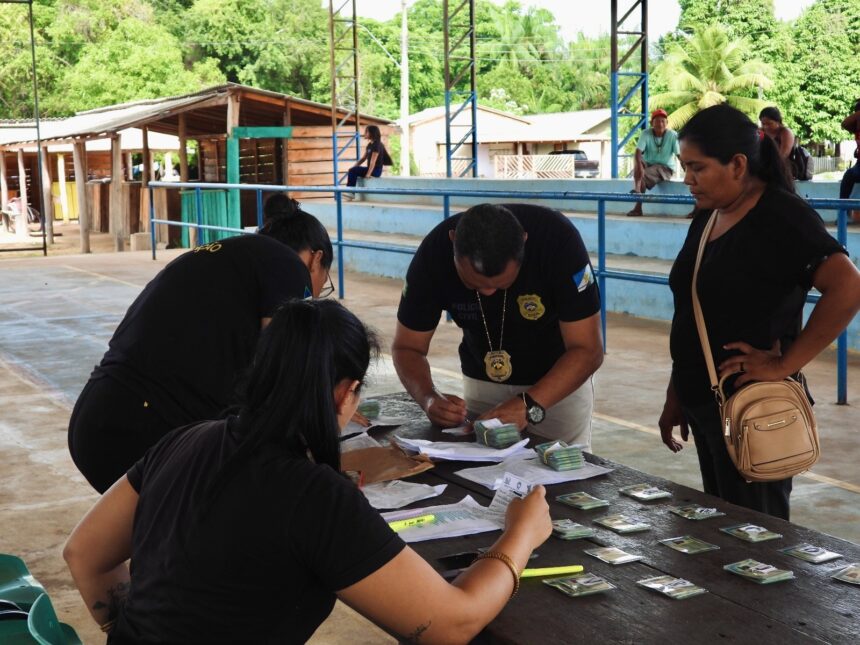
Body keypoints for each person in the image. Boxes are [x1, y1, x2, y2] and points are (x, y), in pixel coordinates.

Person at [63, 299, 552, 643]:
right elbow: (451, 625)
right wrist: (521, 535)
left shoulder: (186, 440)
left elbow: (83, 554)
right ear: (345, 393)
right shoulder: (314, 495)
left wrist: (130, 632)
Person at [658, 104, 860, 520]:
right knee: (721, 532)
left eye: (697, 167)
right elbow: (693, 309)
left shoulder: (781, 216)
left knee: (757, 537)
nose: (687, 179)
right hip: (708, 404)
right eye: (684, 166)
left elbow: (848, 286)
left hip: (756, 410)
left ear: (737, 164)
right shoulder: (710, 214)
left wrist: (785, 363)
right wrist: (678, 389)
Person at [67, 194, 336, 493]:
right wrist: (329, 406)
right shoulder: (288, 265)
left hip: (98, 415)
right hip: (144, 428)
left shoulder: (226, 258)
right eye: (323, 285)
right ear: (316, 259)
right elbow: (283, 370)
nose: (314, 295)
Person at [392, 203, 603, 448]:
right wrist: (428, 397)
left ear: (524, 241)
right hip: (482, 381)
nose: (488, 293)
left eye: (501, 285)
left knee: (563, 464)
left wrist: (529, 404)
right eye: (474, 284)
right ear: (453, 241)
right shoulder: (433, 254)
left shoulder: (557, 240)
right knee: (482, 464)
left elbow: (588, 350)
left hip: (557, 385)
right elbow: (407, 347)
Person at [626, 108, 680, 217]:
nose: (660, 124)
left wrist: (688, 169)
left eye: (663, 121)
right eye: (657, 121)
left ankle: (638, 207)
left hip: (665, 168)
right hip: (649, 165)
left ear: (667, 123)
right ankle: (637, 191)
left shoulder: (672, 135)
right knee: (639, 162)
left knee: (644, 174)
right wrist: (639, 165)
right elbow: (638, 152)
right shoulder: (646, 133)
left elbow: (679, 155)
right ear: (652, 123)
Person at [345, 125, 389, 196]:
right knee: (352, 170)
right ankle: (350, 191)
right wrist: (354, 166)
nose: (364, 134)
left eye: (366, 132)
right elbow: (363, 158)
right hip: (371, 169)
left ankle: (351, 192)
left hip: (376, 171)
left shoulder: (377, 145)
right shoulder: (370, 145)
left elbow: (373, 161)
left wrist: (368, 174)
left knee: (353, 171)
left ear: (372, 133)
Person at [839, 99, 860, 202]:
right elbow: (844, 124)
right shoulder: (856, 129)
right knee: (849, 175)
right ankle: (842, 209)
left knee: (849, 175)